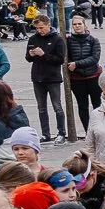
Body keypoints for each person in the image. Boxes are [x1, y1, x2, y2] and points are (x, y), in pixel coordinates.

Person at [23, 15, 69, 143]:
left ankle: (61, 133)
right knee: (41, 108)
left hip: (53, 77)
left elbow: (60, 59)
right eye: (37, 28)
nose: (39, 30)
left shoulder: (57, 39)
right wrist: (31, 55)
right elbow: (27, 58)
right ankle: (45, 133)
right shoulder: (33, 38)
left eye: (42, 28)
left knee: (57, 106)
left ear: (49, 25)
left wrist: (44, 55)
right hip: (37, 77)